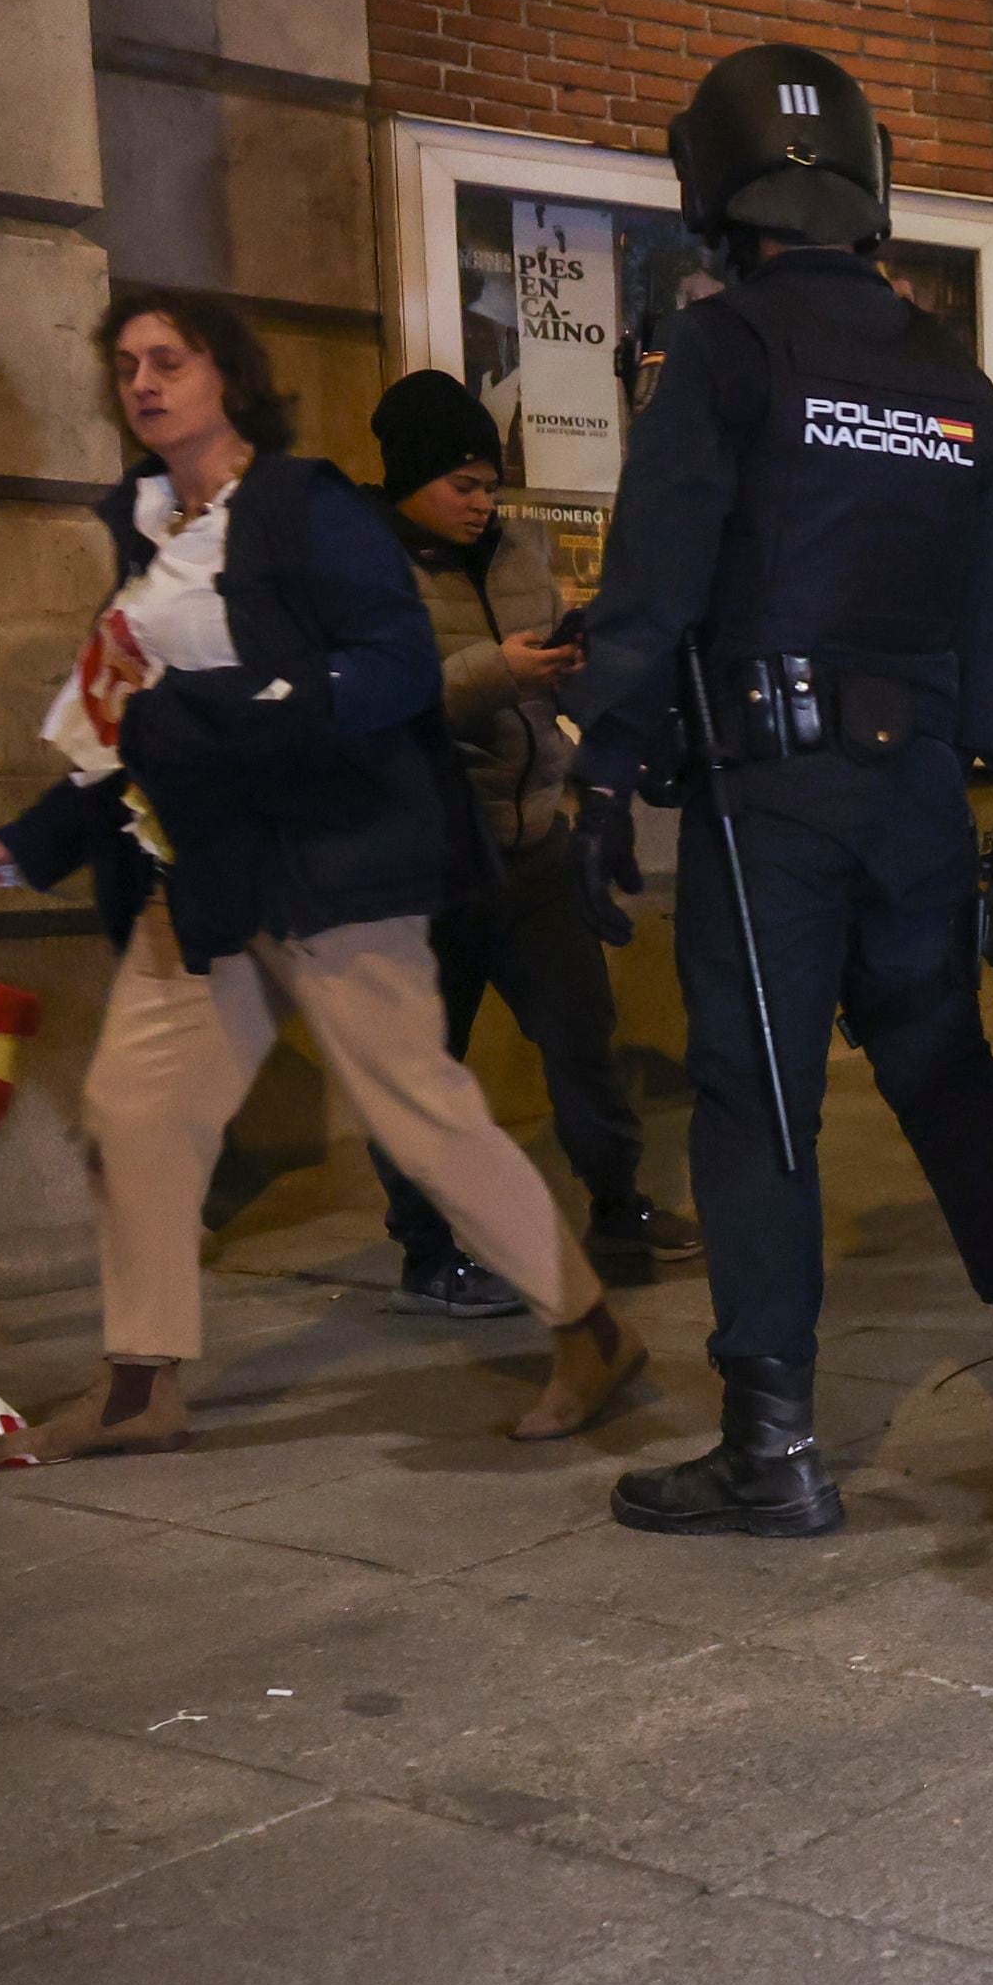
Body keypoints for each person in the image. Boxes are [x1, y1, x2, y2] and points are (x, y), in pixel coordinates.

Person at [563, 43, 993, 1534]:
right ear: (862, 189)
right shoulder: (949, 371)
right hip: (921, 791)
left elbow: (659, 570)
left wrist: (609, 760)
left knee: (760, 1103)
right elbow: (985, 608)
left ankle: (774, 1452)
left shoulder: (727, 353)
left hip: (774, 798)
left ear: (716, 191)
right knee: (948, 1076)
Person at [0, 294, 641, 1462]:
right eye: (125, 366)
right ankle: (139, 1383)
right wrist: (19, 840)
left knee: (420, 1113)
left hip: (333, 866)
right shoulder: (153, 524)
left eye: (170, 359)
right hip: (206, 874)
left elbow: (394, 666)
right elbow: (123, 725)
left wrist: (229, 714)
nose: (145, 382)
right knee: (136, 1108)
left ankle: (592, 1328)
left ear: (230, 376)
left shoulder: (303, 505)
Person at [361, 371, 701, 1317]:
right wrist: (492, 672)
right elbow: (368, 704)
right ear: (411, 478)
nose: (482, 503)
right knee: (421, 1064)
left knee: (582, 1035)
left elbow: (545, 678)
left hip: (533, 846)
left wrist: (573, 672)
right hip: (425, 859)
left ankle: (617, 1204)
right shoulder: (361, 566)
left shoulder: (519, 551)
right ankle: (428, 1251)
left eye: (489, 484)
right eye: (462, 484)